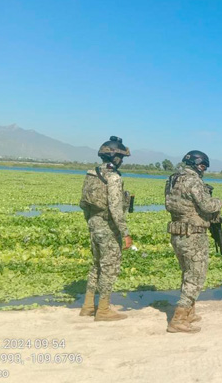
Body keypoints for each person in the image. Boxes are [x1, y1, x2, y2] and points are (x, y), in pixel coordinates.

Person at [165, 150, 222, 333]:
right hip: (194, 234)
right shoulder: (194, 181)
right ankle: (179, 318)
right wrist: (218, 202)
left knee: (187, 272)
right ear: (200, 165)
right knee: (196, 276)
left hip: (177, 232)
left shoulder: (173, 179)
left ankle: (189, 312)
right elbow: (207, 205)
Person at [78, 136, 133, 321]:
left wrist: (91, 222)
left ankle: (87, 306)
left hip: (94, 225)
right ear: (115, 158)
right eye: (121, 158)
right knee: (109, 268)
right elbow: (116, 209)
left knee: (95, 266)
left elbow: (83, 203)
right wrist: (125, 233)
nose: (122, 161)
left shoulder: (91, 173)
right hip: (108, 228)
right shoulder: (113, 178)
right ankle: (103, 310)